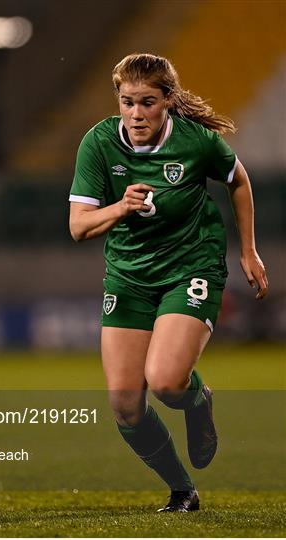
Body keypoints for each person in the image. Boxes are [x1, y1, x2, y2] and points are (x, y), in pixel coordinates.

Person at [69, 53, 268, 512]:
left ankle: (198, 403)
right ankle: (183, 491)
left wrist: (248, 250)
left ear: (168, 101)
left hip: (190, 266)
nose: (136, 114)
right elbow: (79, 226)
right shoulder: (98, 144)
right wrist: (120, 207)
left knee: (165, 382)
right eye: (127, 103)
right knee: (125, 406)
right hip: (129, 276)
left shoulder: (196, 141)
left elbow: (238, 180)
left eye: (147, 103)